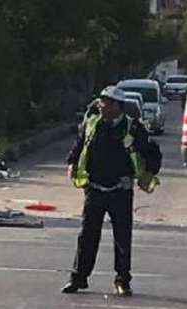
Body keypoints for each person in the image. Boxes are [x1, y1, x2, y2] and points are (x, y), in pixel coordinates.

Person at [62, 86, 160, 297]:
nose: (102, 105)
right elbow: (79, 146)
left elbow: (153, 153)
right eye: (101, 101)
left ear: (117, 106)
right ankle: (78, 278)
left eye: (106, 102)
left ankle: (122, 280)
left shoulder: (133, 129)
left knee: (122, 238)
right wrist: (71, 163)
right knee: (87, 235)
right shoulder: (92, 124)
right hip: (95, 189)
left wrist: (149, 172)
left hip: (120, 190)